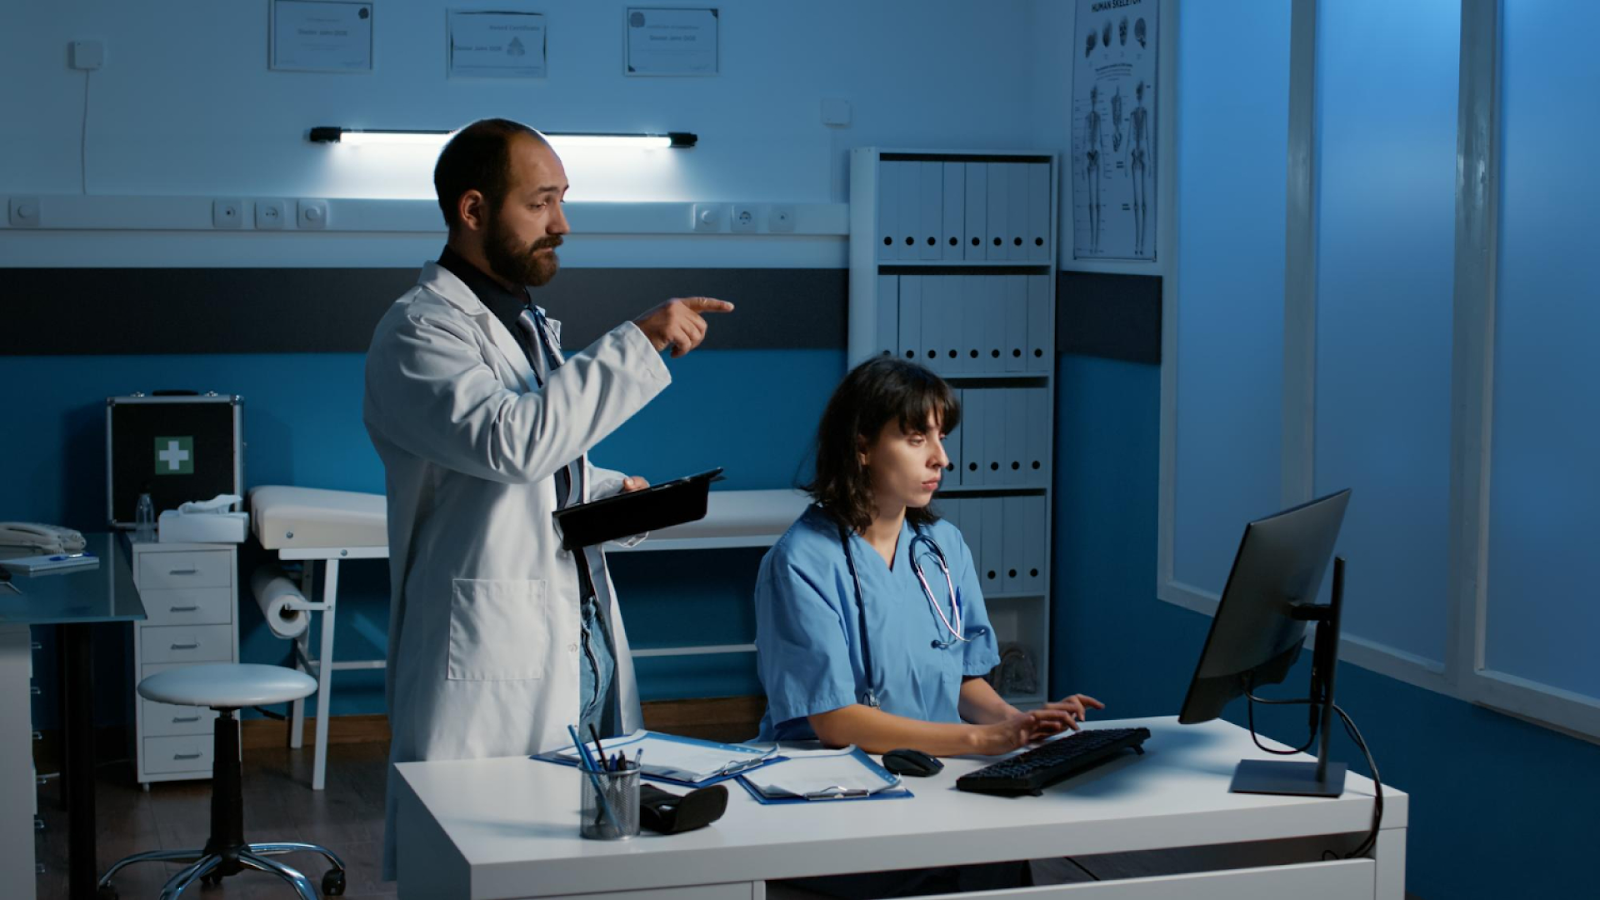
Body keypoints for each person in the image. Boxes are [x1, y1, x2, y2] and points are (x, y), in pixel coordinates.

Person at [363, 118, 733, 878]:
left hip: (579, 646)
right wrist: (640, 338)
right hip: (493, 653)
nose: (562, 224)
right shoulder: (417, 332)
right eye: (541, 204)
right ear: (473, 211)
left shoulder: (523, 324)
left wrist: (604, 491)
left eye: (562, 200)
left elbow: (534, 467)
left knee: (584, 866)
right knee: (487, 861)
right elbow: (513, 442)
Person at [754, 358, 1103, 897]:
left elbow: (961, 677)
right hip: (841, 801)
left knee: (1004, 869)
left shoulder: (944, 548)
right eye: (917, 438)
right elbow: (833, 720)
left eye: (940, 437)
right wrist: (982, 740)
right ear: (862, 446)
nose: (941, 458)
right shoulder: (800, 561)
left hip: (940, 780)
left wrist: (1022, 726)